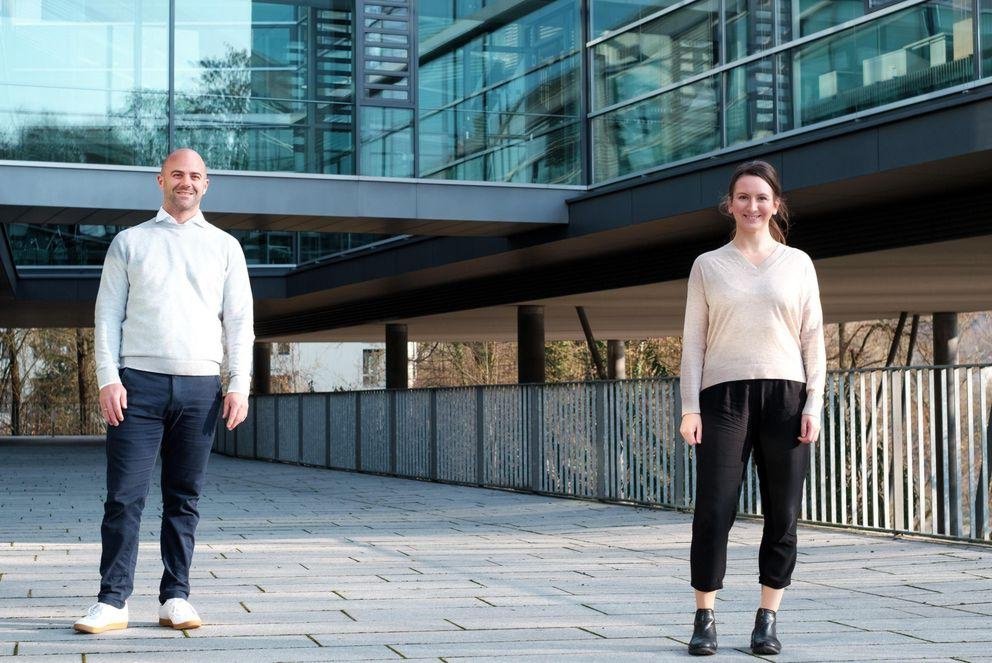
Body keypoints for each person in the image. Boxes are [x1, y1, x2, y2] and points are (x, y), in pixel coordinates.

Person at [74, 148, 254, 634]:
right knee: (124, 497)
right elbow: (107, 316)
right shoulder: (130, 243)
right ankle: (112, 602)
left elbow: (239, 323)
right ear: (161, 180)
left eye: (195, 175)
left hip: (201, 388)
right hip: (138, 387)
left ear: (206, 184)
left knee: (184, 497)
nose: (186, 182)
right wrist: (108, 378)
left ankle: (176, 597)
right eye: (177, 174)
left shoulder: (225, 247)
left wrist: (239, 384)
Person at [678, 160, 825, 656]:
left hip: (786, 397)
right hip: (722, 399)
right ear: (730, 204)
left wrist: (814, 404)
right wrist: (689, 407)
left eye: (762, 197)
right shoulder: (708, 265)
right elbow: (692, 342)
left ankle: (768, 617)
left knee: (782, 512)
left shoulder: (798, 263)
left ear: (775, 204)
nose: (752, 206)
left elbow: (813, 339)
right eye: (743, 197)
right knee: (714, 507)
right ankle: (705, 616)